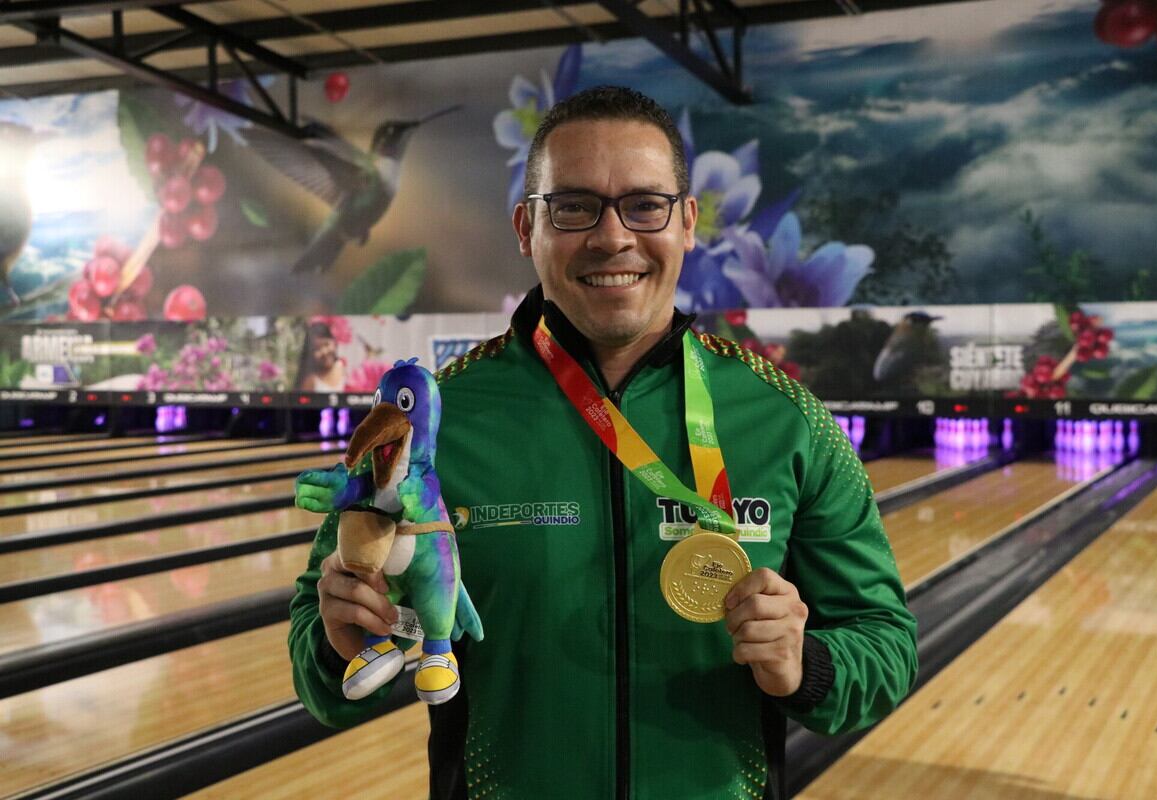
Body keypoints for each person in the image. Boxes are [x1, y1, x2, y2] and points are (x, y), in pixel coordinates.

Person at [289, 86, 917, 798]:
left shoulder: (785, 418)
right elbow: (318, 664)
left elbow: (885, 644)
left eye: (645, 205)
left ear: (687, 224)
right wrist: (342, 642)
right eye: (574, 207)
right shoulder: (430, 420)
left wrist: (809, 663)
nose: (613, 237)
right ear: (526, 227)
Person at [294, 320, 346, 392]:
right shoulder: (311, 381)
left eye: (326, 344)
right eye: (317, 349)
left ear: (334, 342)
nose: (324, 352)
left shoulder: (342, 366)